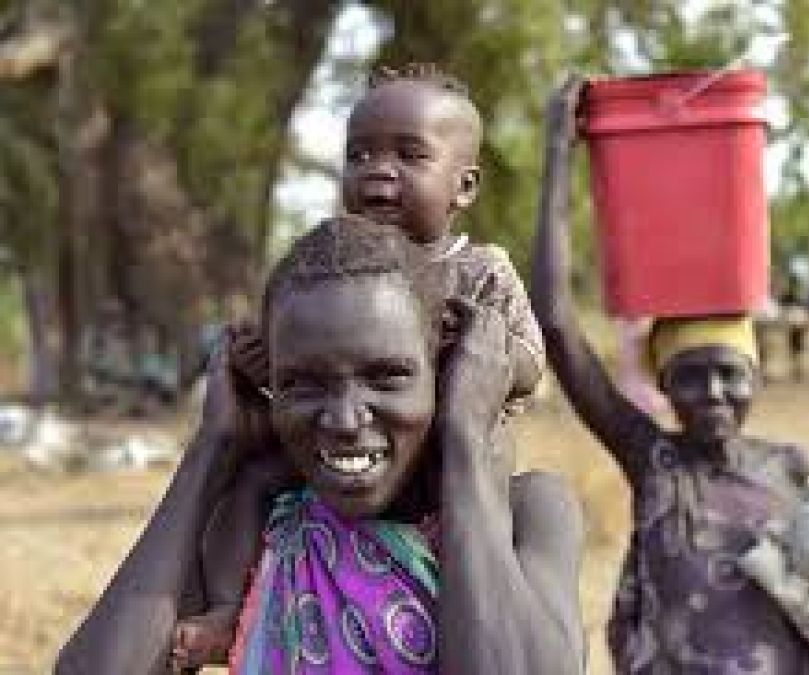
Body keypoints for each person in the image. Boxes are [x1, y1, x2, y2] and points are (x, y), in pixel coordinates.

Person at [57, 220, 583, 674]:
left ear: (443, 370)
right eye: (302, 385)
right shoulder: (271, 527)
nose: (343, 420)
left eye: (386, 376)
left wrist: (465, 436)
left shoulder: (529, 513)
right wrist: (211, 450)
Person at [172, 63, 549, 658]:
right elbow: (308, 375)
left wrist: (482, 347)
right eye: (360, 155)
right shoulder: (335, 272)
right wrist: (259, 361)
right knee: (249, 484)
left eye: (408, 155)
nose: (378, 173)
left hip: (451, 455)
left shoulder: (481, 271)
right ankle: (229, 610)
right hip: (345, 456)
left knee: (485, 500)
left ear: (465, 187)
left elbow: (530, 362)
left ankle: (461, 612)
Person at [532, 76, 809, 673]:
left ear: (757, 380)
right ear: (662, 385)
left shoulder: (793, 471)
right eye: (689, 376)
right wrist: (557, 152)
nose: (712, 394)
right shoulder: (654, 460)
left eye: (731, 375)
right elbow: (555, 323)